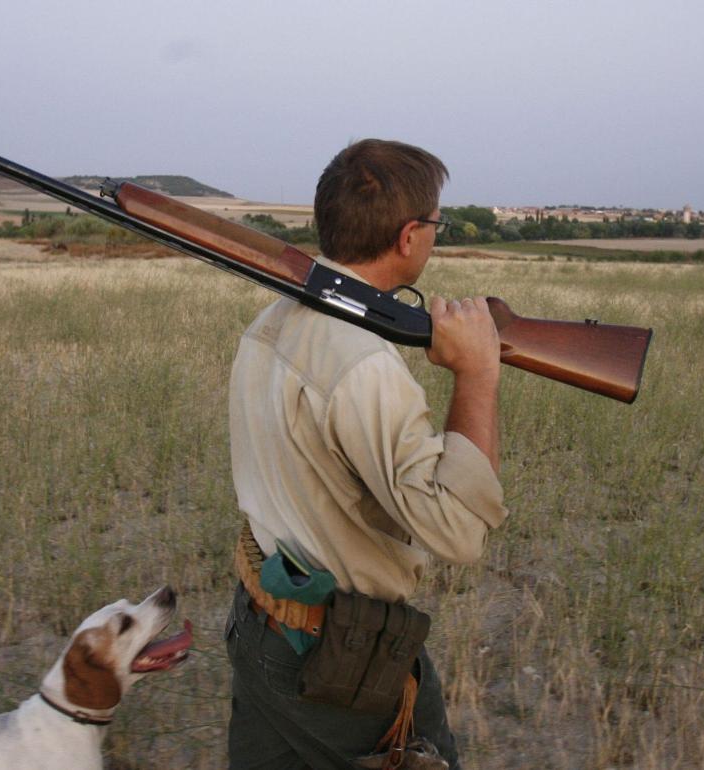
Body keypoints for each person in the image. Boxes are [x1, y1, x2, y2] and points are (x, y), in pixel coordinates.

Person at [224, 139, 507, 770]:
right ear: (410, 236)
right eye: (436, 224)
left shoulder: (271, 321)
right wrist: (478, 374)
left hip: (261, 618)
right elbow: (459, 533)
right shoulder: (365, 364)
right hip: (341, 659)